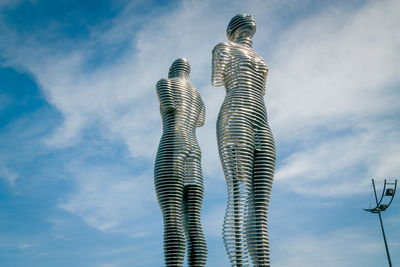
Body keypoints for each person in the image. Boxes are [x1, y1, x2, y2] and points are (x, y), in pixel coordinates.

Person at [211, 14, 276, 267]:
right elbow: (218, 80)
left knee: (260, 206)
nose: (249, 16)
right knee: (239, 197)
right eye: (241, 18)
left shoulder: (262, 60)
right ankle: (239, 264)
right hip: (235, 114)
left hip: (262, 120)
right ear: (230, 30)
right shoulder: (223, 49)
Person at [154, 58, 207, 267]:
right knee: (193, 221)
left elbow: (168, 106)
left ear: (171, 69)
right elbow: (200, 121)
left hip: (173, 144)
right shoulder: (198, 97)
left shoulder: (165, 82)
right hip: (194, 150)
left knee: (172, 216)